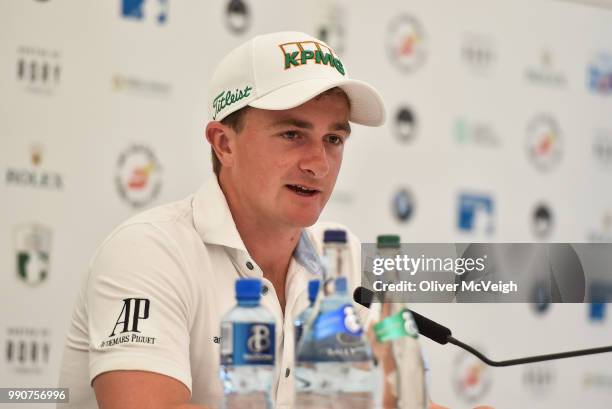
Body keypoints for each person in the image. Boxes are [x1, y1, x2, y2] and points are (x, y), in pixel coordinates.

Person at [58, 31, 392, 409]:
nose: (318, 164)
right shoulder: (147, 251)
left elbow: (384, 398)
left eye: (333, 139)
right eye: (292, 134)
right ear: (223, 144)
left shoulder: (343, 254)